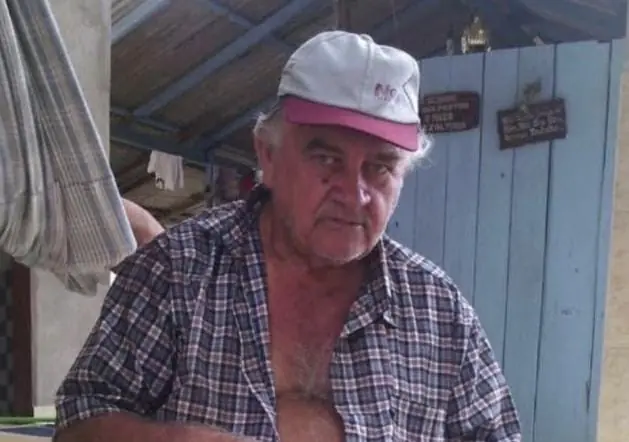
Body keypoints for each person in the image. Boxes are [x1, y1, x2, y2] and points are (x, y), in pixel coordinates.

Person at [53, 31, 521, 442]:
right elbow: (78, 423)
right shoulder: (177, 272)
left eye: (380, 167)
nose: (354, 194)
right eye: (327, 159)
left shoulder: (438, 311)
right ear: (268, 155)